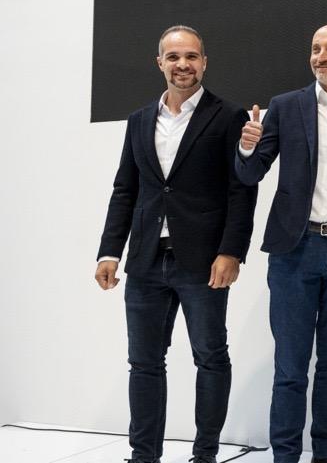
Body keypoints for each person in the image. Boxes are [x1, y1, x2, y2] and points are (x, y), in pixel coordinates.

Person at [95, 25, 257, 463]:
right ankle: (143, 455)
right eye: (173, 57)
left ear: (204, 62)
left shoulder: (228, 116)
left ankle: (204, 455)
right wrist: (110, 250)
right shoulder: (140, 120)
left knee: (210, 357)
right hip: (146, 261)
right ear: (160, 63)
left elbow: (241, 191)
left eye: (191, 57)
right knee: (144, 363)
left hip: (203, 262)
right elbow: (125, 189)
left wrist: (231, 251)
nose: (182, 65)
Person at [234, 24, 327, 463]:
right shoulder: (286, 107)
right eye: (316, 49)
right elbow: (249, 174)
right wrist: (247, 149)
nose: (322, 56)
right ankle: (284, 454)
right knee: (290, 368)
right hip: (294, 250)